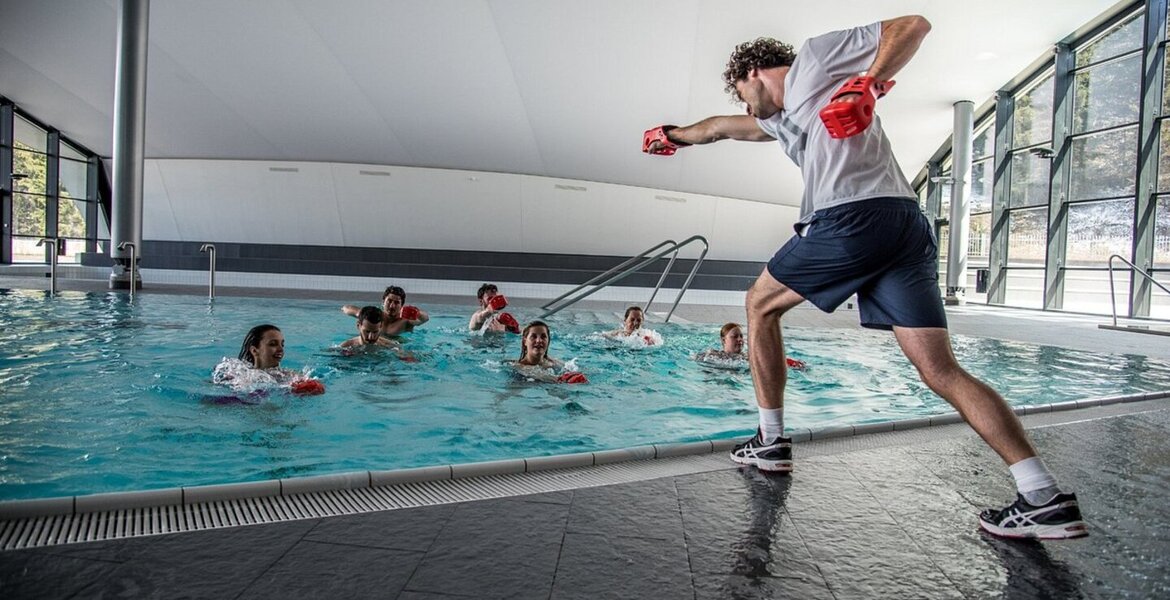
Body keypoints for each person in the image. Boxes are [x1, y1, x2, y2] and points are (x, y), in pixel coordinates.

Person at [644, 16, 1085, 540]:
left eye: (743, 92)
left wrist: (868, 82)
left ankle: (770, 439)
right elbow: (717, 127)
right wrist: (672, 136)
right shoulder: (784, 121)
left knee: (760, 303)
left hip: (855, 218)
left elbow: (912, 26)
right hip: (905, 226)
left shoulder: (814, 59)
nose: (745, 107)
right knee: (941, 371)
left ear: (756, 72)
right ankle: (1043, 496)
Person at [213, 324, 325, 395]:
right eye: (273, 344)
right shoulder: (238, 374)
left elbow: (319, 389)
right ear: (254, 351)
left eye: (282, 344)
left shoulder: (289, 376)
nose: (280, 349)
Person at [697, 322, 805, 369]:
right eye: (734, 336)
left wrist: (794, 364)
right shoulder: (713, 354)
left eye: (741, 336)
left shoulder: (748, 357)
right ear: (724, 340)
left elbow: (772, 361)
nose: (739, 339)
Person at [515, 321, 587, 384]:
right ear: (525, 341)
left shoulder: (554, 363)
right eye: (533, 336)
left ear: (548, 341)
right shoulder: (517, 366)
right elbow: (537, 374)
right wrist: (561, 380)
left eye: (543, 337)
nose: (539, 340)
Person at [341, 285, 428, 336]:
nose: (392, 306)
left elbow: (424, 319)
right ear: (383, 301)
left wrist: (417, 312)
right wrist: (347, 309)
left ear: (402, 305)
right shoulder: (374, 315)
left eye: (396, 302)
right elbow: (347, 308)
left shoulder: (406, 321)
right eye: (389, 301)